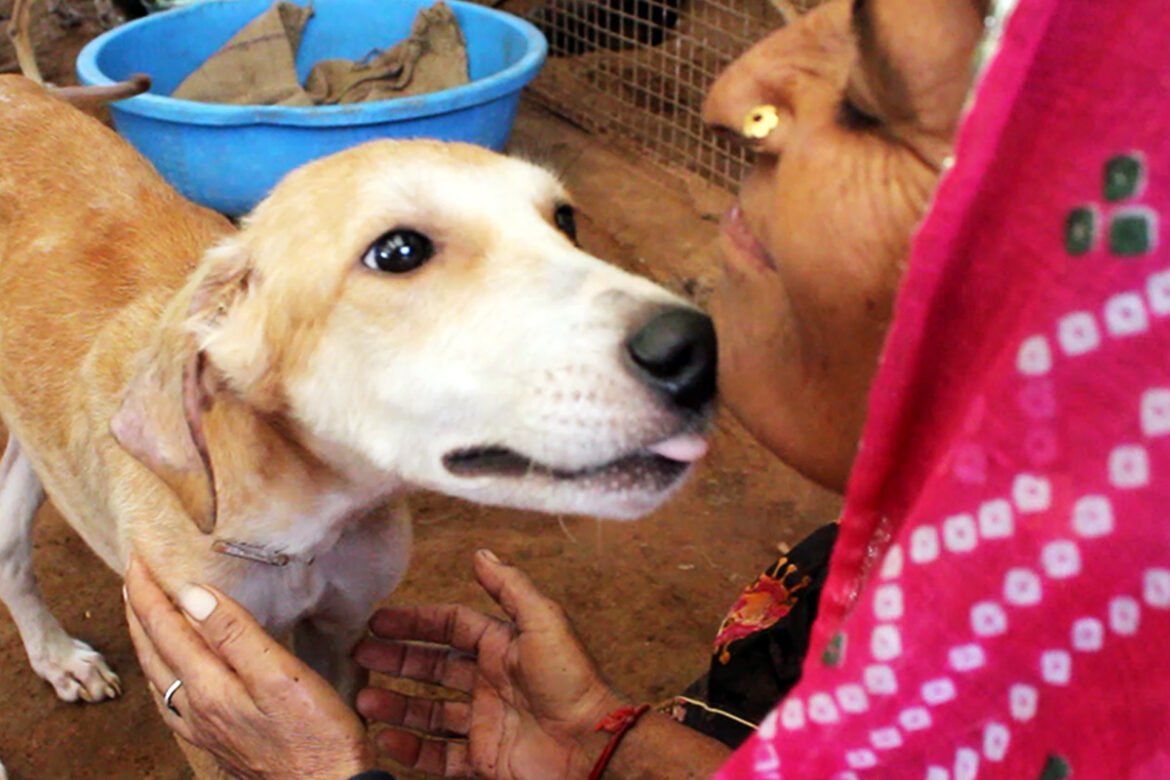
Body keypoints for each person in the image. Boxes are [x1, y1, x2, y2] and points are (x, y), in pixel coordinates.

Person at [125, 0, 1170, 776]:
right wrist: (606, 748)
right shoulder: (903, 599)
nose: (730, 94)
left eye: (867, 100)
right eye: (404, 251)